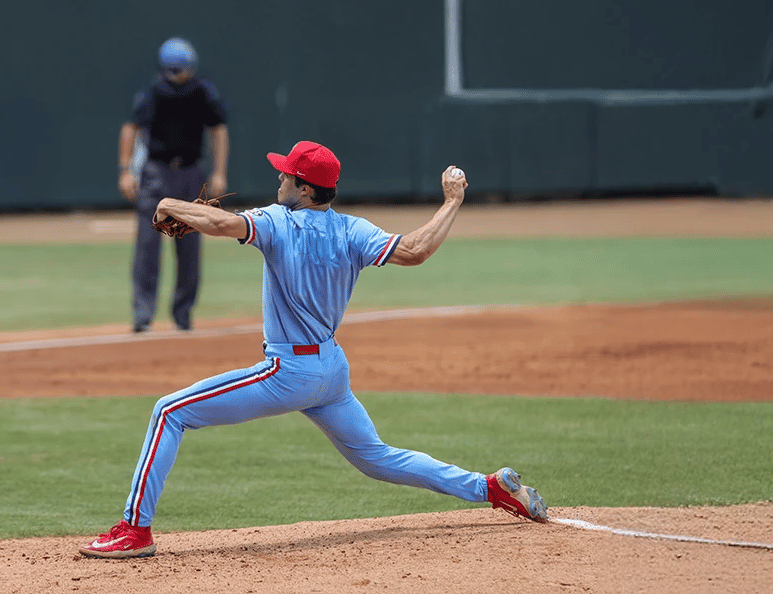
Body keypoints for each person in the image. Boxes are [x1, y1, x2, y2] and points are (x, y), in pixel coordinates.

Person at [80, 141, 548, 559]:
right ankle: (489, 488)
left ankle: (134, 530)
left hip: (288, 373)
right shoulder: (352, 230)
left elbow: (222, 223)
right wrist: (452, 201)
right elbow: (416, 249)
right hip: (331, 372)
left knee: (169, 411)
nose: (279, 177)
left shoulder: (277, 221)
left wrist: (169, 203)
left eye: (286, 174)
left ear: (304, 189)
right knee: (377, 457)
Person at [118, 37, 230, 333]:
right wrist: (126, 171)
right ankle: (143, 316)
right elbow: (130, 128)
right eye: (176, 69)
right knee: (147, 246)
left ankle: (183, 315)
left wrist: (219, 172)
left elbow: (218, 130)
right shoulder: (153, 93)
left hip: (191, 171)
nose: (180, 75)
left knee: (190, 247)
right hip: (157, 172)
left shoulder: (203, 92)